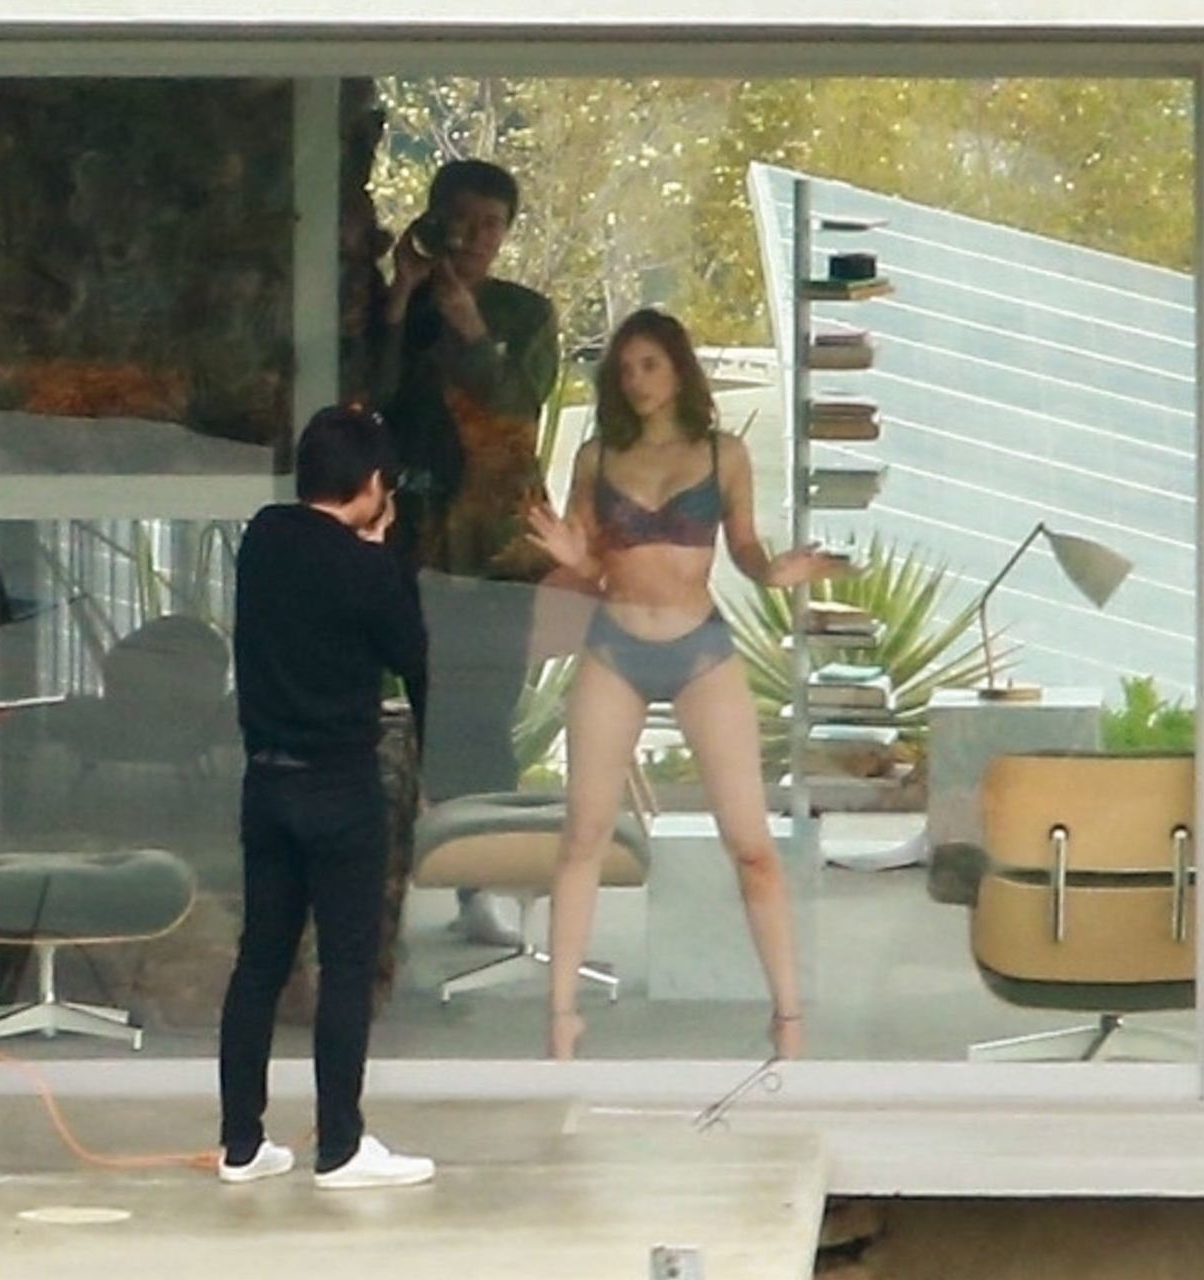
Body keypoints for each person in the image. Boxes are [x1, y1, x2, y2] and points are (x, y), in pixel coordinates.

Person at [526, 309, 850, 1062]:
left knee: (751, 843)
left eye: (650, 364)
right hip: (615, 644)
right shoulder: (597, 456)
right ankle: (562, 1017)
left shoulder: (722, 453)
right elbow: (589, 562)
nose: (638, 380)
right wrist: (572, 556)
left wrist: (775, 573)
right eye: (626, 369)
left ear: (678, 369)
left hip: (699, 646)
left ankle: (789, 1018)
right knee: (584, 834)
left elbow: (745, 547)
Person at [217, 405, 434, 1191]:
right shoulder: (367, 569)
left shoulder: (264, 537)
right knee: (345, 968)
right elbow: (409, 650)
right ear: (373, 485)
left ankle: (242, 1142)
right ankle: (340, 1145)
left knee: (260, 962)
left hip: (267, 782)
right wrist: (381, 555)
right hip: (340, 785)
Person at [373, 158, 559, 948]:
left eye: (492, 224)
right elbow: (368, 399)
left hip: (493, 545)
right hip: (410, 536)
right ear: (434, 219)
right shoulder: (398, 304)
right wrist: (400, 298)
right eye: (463, 220)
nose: (476, 238)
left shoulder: (525, 313)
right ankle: (426, 875)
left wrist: (472, 328)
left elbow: (520, 408)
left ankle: (487, 884)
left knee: (483, 716)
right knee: (422, 708)